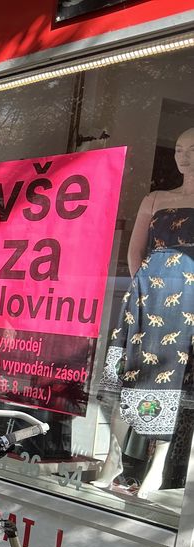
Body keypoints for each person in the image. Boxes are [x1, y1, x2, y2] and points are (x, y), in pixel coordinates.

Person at [98, 126, 194, 498]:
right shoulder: (154, 199)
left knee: (176, 381)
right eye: (179, 149)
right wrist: (143, 286)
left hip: (188, 301)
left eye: (192, 149)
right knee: (127, 375)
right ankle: (114, 459)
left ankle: (156, 467)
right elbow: (134, 251)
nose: (183, 157)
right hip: (147, 295)